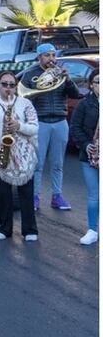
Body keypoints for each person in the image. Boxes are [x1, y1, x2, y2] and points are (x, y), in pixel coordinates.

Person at [20, 43, 81, 211]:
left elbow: (75, 94)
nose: (51, 59)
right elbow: (23, 98)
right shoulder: (31, 74)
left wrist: (68, 80)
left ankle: (57, 196)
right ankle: (35, 197)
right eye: (47, 55)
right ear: (39, 57)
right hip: (40, 121)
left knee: (57, 163)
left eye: (53, 55)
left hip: (60, 122)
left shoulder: (60, 74)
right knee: (37, 164)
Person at [0, 71, 39, 241]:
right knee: (3, 193)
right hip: (2, 153)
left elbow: (34, 127)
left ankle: (30, 230)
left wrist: (19, 126)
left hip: (24, 154)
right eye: (4, 84)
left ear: (16, 87)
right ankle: (5, 228)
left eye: (11, 85)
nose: (8, 88)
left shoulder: (25, 104)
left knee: (26, 193)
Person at [70, 69, 99, 245]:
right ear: (91, 85)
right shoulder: (84, 104)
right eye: (98, 81)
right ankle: (93, 230)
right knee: (95, 195)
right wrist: (87, 145)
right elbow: (75, 127)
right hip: (91, 156)